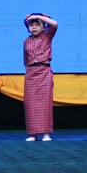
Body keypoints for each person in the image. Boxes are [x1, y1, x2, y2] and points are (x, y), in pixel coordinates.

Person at [22, 13, 58, 141]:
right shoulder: (26, 41)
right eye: (31, 25)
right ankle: (33, 134)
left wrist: (36, 16)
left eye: (37, 24)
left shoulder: (47, 36)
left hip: (44, 71)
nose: (34, 27)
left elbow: (55, 24)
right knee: (30, 104)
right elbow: (25, 60)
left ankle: (46, 134)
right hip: (31, 73)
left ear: (44, 27)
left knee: (45, 103)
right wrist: (29, 71)